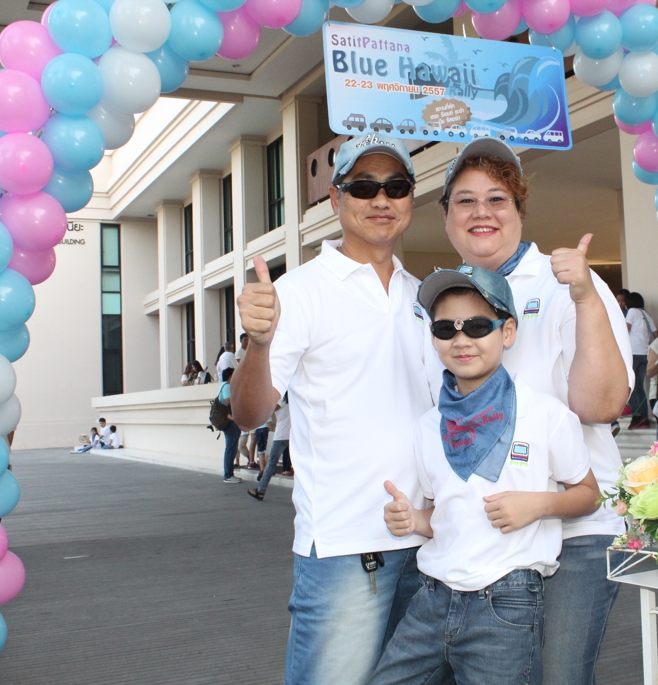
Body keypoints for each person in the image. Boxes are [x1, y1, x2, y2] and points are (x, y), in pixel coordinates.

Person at [232, 134, 435, 685]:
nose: (381, 199)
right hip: (348, 547)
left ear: (410, 197)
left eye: (396, 186)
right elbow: (249, 414)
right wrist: (258, 344)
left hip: (431, 540)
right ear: (335, 198)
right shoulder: (299, 292)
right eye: (363, 187)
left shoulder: (425, 297)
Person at [437, 138, 632, 685]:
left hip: (575, 530)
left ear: (520, 209)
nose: (481, 212)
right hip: (488, 534)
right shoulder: (444, 304)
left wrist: (585, 296)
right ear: (447, 217)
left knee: (557, 677)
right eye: (465, 200)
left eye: (497, 198)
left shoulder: (563, 281)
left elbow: (601, 405)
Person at [371, 267, 600, 685]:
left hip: (507, 603)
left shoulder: (544, 414)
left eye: (477, 326)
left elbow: (589, 494)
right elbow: (445, 515)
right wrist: (413, 519)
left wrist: (539, 505)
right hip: (432, 596)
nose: (461, 340)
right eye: (446, 328)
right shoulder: (430, 426)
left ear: (506, 331)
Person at [249, 393, 293, 500]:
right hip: (293, 436)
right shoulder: (295, 402)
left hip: (280, 436)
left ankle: (260, 490)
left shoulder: (281, 402)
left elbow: (267, 411)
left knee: (271, 464)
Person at [624, 291, 656, 430]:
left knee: (629, 385)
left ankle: (637, 415)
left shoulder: (632, 311)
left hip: (633, 353)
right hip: (645, 354)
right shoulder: (646, 315)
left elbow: (625, 329)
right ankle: (643, 416)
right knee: (639, 386)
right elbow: (656, 334)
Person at [217, 368, 243, 484]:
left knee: (231, 448)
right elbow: (228, 401)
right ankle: (228, 475)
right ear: (229, 377)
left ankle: (229, 474)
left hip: (228, 421)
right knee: (231, 448)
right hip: (229, 422)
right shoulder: (227, 386)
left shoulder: (223, 386)